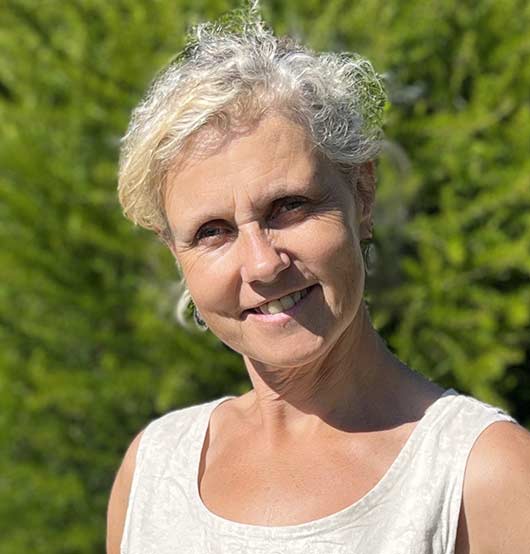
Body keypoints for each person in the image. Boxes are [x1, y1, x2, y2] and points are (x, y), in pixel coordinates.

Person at [107, 5, 530, 553]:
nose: (262, 264)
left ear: (362, 194)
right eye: (213, 232)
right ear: (175, 253)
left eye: (289, 206)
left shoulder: (485, 476)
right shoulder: (152, 469)